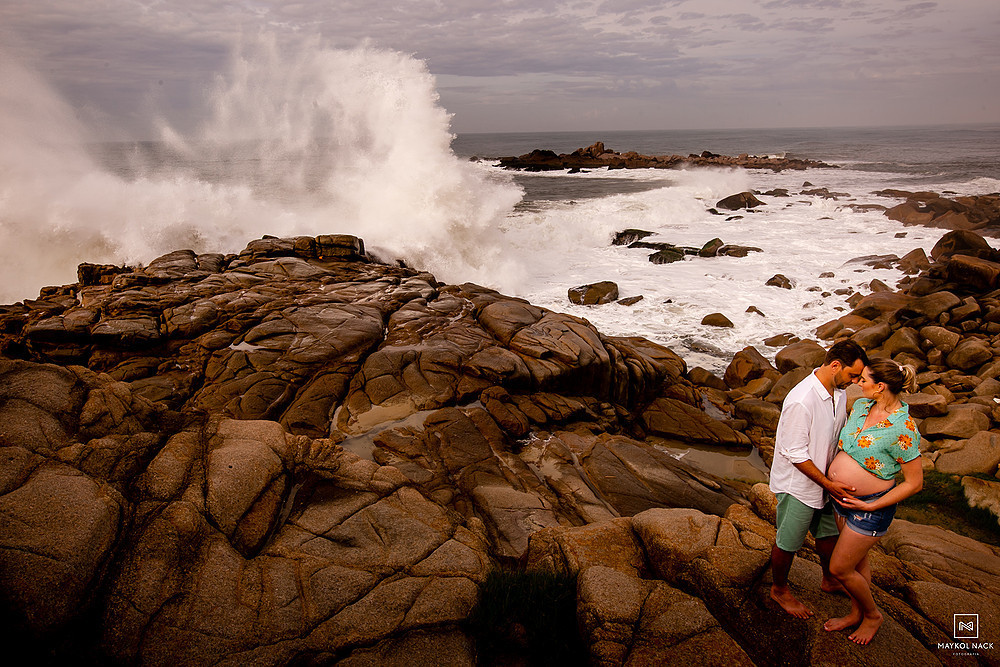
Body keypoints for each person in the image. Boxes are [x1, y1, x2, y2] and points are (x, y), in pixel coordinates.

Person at [824, 357, 922, 645]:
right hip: (842, 500)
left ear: (880, 386)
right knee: (856, 562)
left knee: (839, 568)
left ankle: (872, 615)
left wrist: (871, 505)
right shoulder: (862, 406)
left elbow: (915, 482)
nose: (858, 382)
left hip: (870, 507)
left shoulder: (903, 427)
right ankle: (856, 613)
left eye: (863, 379)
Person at [769, 340, 869, 618]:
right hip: (799, 485)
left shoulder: (837, 391)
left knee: (828, 534)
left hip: (825, 481)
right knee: (789, 542)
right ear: (835, 365)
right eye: (852, 375)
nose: (855, 382)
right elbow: (795, 453)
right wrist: (829, 484)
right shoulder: (802, 400)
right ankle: (778, 589)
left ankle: (829, 579)